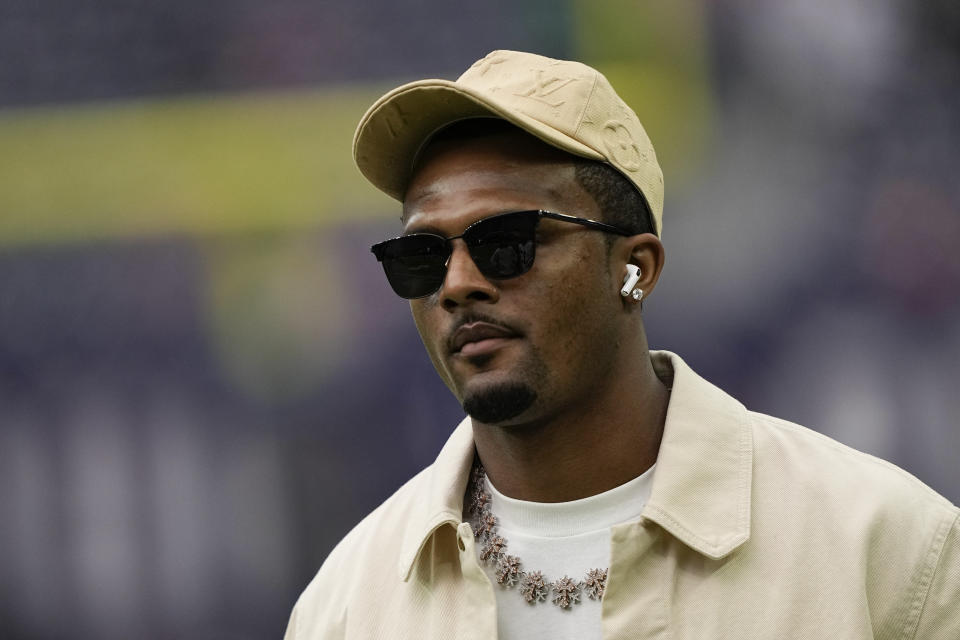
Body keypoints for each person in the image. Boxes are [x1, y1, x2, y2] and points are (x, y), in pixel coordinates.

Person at [285, 50, 958, 640]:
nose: (458, 284)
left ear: (634, 270)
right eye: (421, 257)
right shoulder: (347, 606)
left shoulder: (884, 551)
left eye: (506, 243)